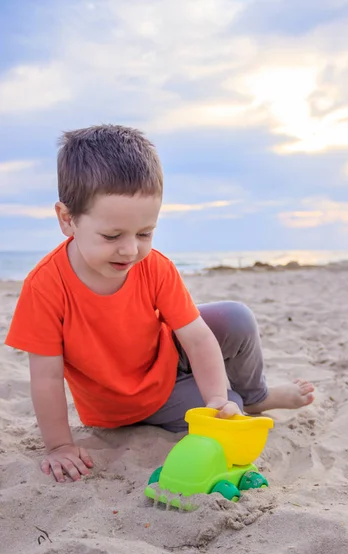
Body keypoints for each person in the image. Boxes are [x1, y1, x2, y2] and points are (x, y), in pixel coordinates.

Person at [5, 125, 314, 484]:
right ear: (67, 219)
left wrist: (214, 399)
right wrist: (59, 446)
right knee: (232, 409)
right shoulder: (45, 286)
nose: (130, 250)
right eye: (112, 235)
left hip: (163, 356)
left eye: (144, 233)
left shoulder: (154, 267)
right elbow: (45, 378)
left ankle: (256, 395)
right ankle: (243, 401)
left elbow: (197, 339)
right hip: (134, 402)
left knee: (235, 318)